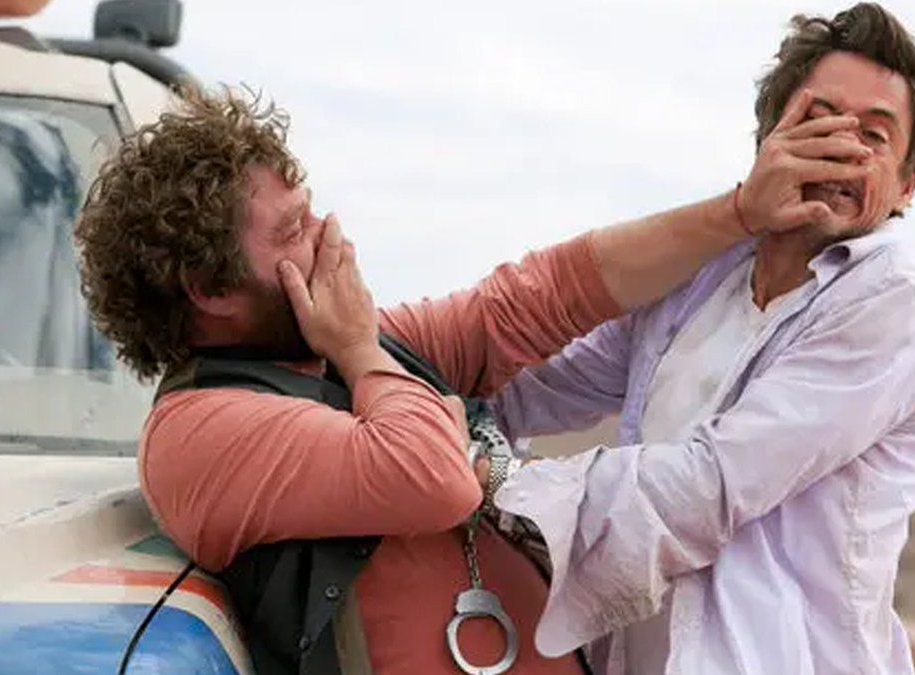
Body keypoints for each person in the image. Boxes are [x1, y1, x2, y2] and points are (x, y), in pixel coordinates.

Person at [72, 84, 864, 675]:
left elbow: (535, 299)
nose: (330, 236)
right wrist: (363, 351)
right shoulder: (198, 432)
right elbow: (434, 476)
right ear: (209, 290)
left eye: (311, 211)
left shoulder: (336, 351)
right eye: (292, 231)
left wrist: (739, 213)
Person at [489, 3, 915, 673]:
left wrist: (496, 479)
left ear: (908, 184)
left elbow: (711, 485)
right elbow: (537, 382)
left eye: (874, 136)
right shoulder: (702, 275)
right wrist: (393, 380)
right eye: (820, 118)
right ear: (770, 135)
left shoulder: (897, 296)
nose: (841, 147)